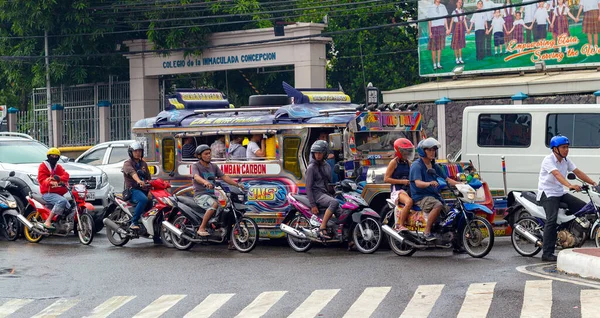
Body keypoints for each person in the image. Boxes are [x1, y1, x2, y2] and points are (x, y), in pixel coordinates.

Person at [536, 135, 596, 262]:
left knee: (584, 209)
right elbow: (557, 175)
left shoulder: (566, 161)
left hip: (559, 192)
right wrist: (569, 185)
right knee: (551, 221)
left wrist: (594, 184)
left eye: (567, 147)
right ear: (555, 149)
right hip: (548, 194)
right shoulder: (548, 160)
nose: (566, 150)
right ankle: (547, 253)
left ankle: (570, 235)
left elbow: (578, 172)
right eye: (563, 147)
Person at [409, 138, 459, 241]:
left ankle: (455, 242)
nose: (432, 152)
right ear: (423, 151)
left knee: (451, 213)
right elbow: (418, 183)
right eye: (430, 150)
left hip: (433, 196)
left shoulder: (434, 166)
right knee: (438, 205)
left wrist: (461, 184)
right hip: (420, 197)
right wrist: (429, 183)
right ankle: (427, 232)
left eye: (434, 150)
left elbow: (447, 179)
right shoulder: (416, 165)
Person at [192, 145, 243, 237]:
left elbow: (224, 177)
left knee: (226, 208)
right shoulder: (196, 166)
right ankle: (201, 228)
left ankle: (228, 237)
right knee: (214, 205)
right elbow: (196, 177)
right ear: (199, 156)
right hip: (200, 195)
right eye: (206, 154)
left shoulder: (213, 166)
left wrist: (237, 184)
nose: (209, 155)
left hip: (212, 195)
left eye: (209, 153)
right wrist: (205, 182)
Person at [305, 140, 339, 239]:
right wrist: (313, 205)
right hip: (317, 194)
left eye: (320, 153)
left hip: (325, 194)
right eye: (316, 153)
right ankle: (322, 226)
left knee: (342, 212)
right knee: (334, 203)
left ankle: (346, 238)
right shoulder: (311, 168)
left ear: (325, 153)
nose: (318, 155)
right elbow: (308, 187)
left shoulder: (327, 166)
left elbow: (328, 184)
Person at [384, 138, 415, 232]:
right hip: (397, 191)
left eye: (408, 152)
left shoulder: (408, 163)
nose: (407, 154)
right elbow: (386, 179)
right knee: (409, 202)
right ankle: (400, 225)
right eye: (405, 152)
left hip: (407, 190)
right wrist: (402, 181)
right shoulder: (394, 162)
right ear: (399, 151)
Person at [38, 148, 70, 230]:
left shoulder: (58, 167)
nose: (54, 157)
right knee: (62, 201)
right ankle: (48, 221)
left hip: (58, 193)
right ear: (48, 156)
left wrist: (57, 179)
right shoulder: (43, 166)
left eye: (56, 156)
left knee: (69, 207)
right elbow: (42, 180)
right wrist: (50, 182)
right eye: (52, 155)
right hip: (47, 193)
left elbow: (66, 175)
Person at [122, 141, 152, 231]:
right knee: (143, 199)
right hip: (133, 190)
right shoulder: (127, 163)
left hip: (144, 190)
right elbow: (133, 173)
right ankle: (133, 222)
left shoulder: (143, 164)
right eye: (135, 151)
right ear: (131, 152)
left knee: (155, 203)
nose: (138, 153)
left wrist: (150, 190)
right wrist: (139, 181)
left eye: (139, 151)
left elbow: (149, 177)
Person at [427, 0, 449, 70]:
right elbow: (429, 20)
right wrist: (430, 31)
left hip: (441, 27)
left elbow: (445, 19)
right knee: (433, 48)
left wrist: (447, 28)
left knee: (439, 47)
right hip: (433, 27)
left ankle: (439, 64)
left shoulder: (443, 6)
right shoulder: (431, 7)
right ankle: (434, 64)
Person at [449, 0, 468, 65]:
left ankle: (460, 58)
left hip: (462, 28)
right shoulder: (454, 12)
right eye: (459, 2)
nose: (460, 4)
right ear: (456, 3)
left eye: (461, 3)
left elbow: (464, 21)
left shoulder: (463, 11)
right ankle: (456, 59)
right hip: (456, 28)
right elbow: (452, 22)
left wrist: (467, 29)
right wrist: (449, 30)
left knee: (460, 44)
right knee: (456, 44)